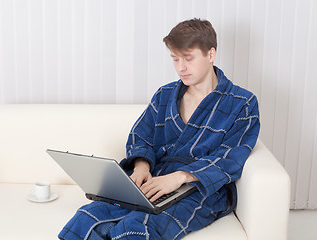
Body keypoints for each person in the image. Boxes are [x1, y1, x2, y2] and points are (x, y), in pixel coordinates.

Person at [58, 18, 260, 240]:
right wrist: (142, 167)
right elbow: (141, 135)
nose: (180, 67)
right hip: (154, 178)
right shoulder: (165, 95)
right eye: (175, 59)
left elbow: (230, 158)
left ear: (210, 54)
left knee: (136, 226)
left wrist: (181, 177)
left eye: (188, 58)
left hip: (202, 189)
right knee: (88, 216)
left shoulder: (242, 103)